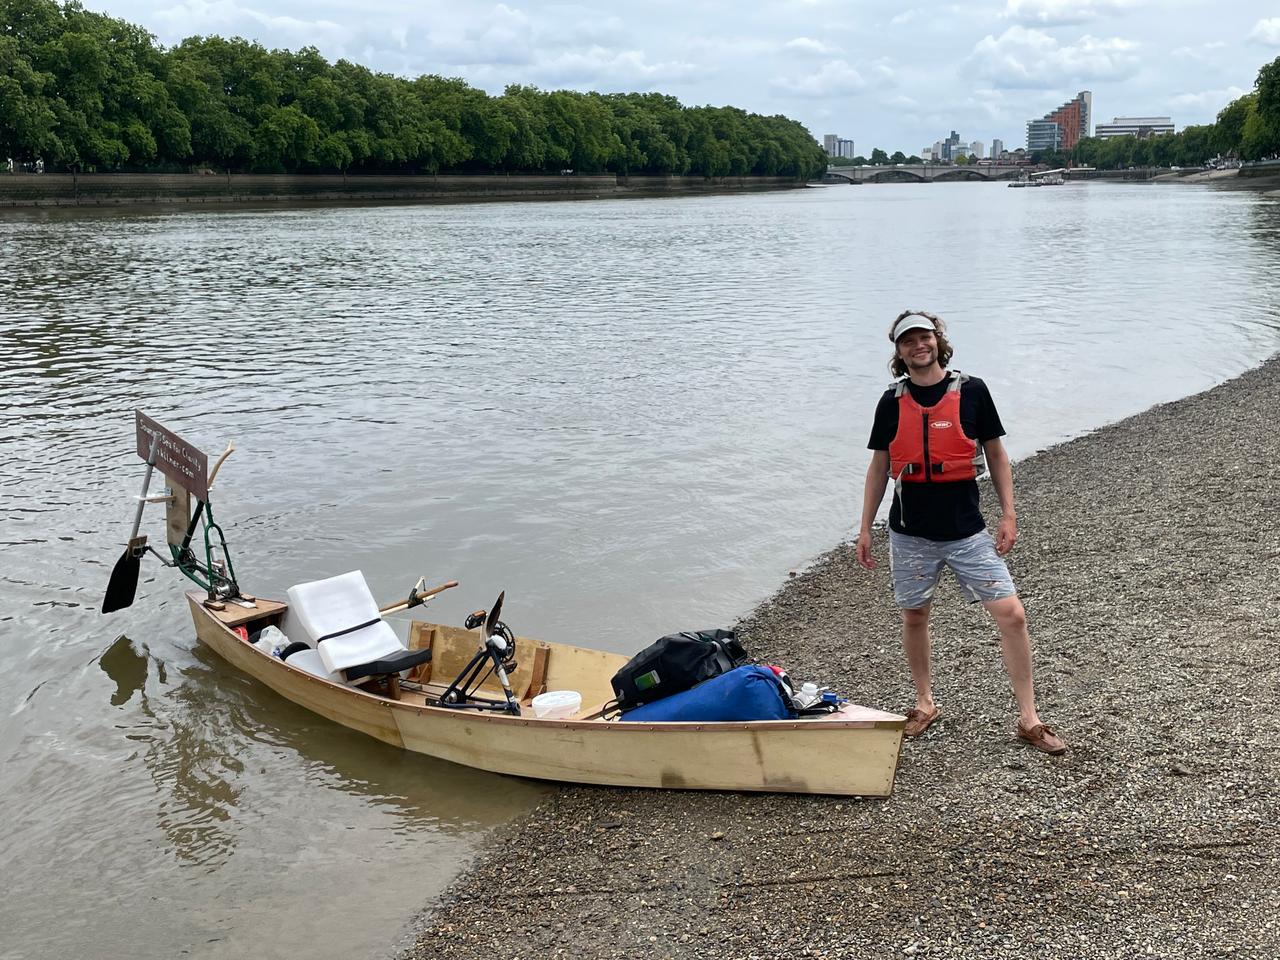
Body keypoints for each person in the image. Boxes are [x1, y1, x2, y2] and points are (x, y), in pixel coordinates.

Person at [855, 310, 1066, 755]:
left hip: (966, 531)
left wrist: (1008, 515)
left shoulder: (972, 391)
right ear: (898, 350)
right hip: (910, 533)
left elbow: (996, 454)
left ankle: (1029, 718)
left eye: (925, 337)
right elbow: (878, 467)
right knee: (915, 616)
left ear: (938, 341)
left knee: (1012, 615)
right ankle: (924, 703)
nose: (919, 346)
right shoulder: (890, 402)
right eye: (908, 340)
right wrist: (865, 528)